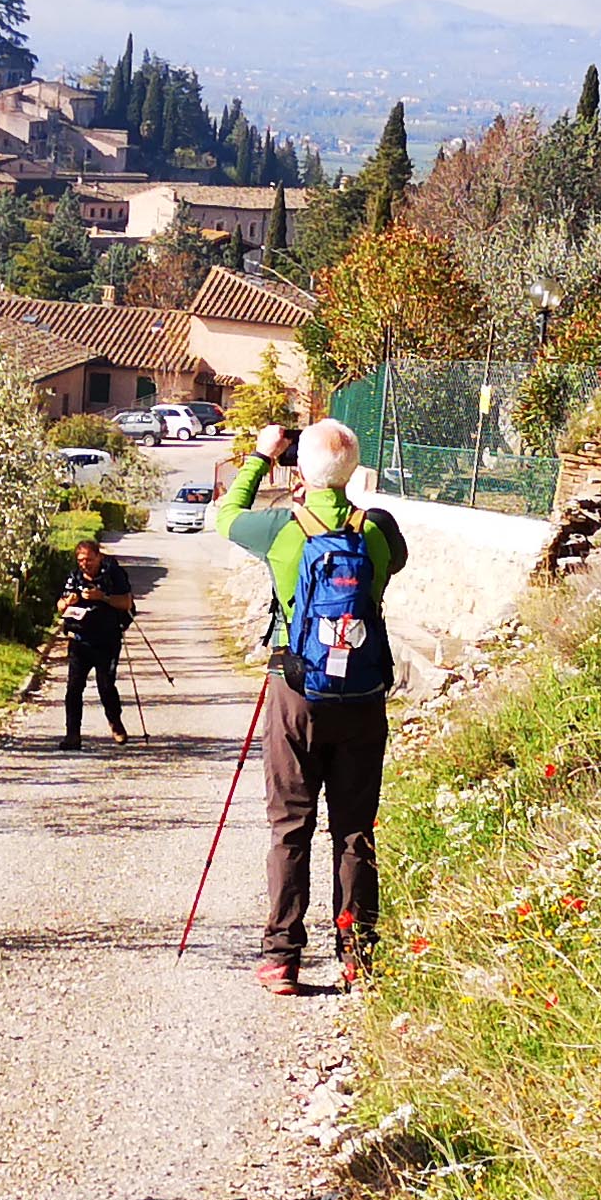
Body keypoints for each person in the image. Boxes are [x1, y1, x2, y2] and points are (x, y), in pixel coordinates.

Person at [212, 418, 403, 994]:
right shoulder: (379, 530)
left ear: (298, 468)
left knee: (290, 825)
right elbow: (394, 563)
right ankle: (357, 955)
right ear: (355, 470)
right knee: (354, 830)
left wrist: (259, 457)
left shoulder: (281, 529)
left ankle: (282, 958)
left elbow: (224, 517)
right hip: (363, 696)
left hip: (297, 693)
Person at [56, 535, 136, 748]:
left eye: (89, 559)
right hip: (80, 641)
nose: (85, 564)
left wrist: (102, 597)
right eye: (81, 560)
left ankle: (115, 722)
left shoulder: (114, 575)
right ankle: (72, 734)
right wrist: (66, 603)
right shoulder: (74, 577)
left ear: (99, 556)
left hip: (107, 640)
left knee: (106, 686)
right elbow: (60, 605)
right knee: (73, 689)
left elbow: (126, 602)